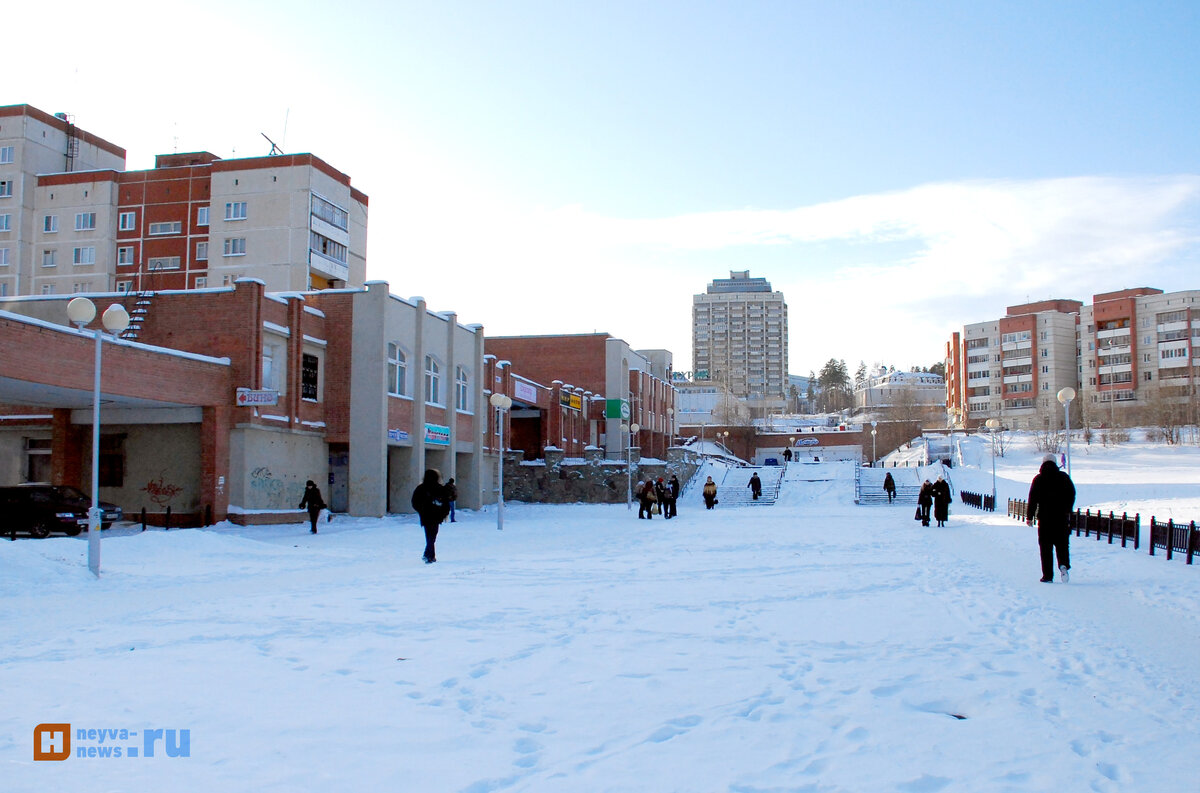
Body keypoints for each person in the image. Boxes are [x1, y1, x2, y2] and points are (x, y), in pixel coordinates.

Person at [1027, 453, 1076, 583]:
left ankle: (1047, 575)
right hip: (1061, 518)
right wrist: (1067, 509)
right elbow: (1072, 494)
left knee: (1045, 548)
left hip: (1044, 519)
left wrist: (1029, 517)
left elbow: (1032, 499)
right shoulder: (1064, 477)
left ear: (1043, 464)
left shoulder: (1038, 479)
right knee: (1062, 544)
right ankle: (1063, 565)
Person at [411, 469, 451, 563]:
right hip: (436, 516)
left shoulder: (420, 488)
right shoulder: (439, 488)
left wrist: (421, 510)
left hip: (425, 516)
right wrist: (443, 513)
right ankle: (428, 555)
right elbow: (446, 502)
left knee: (429, 535)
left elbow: (414, 502)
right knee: (432, 536)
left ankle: (429, 555)